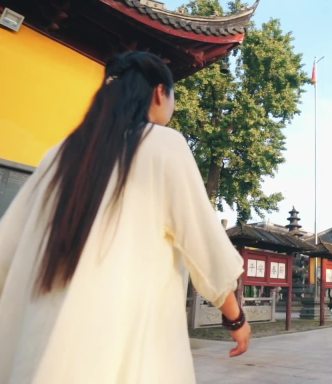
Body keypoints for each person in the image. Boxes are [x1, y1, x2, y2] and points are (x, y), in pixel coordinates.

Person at [0, 51, 250, 383]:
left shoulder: (58, 155)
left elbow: (8, 248)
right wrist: (235, 319)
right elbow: (202, 244)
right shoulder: (164, 145)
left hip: (42, 349)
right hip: (123, 345)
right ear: (160, 93)